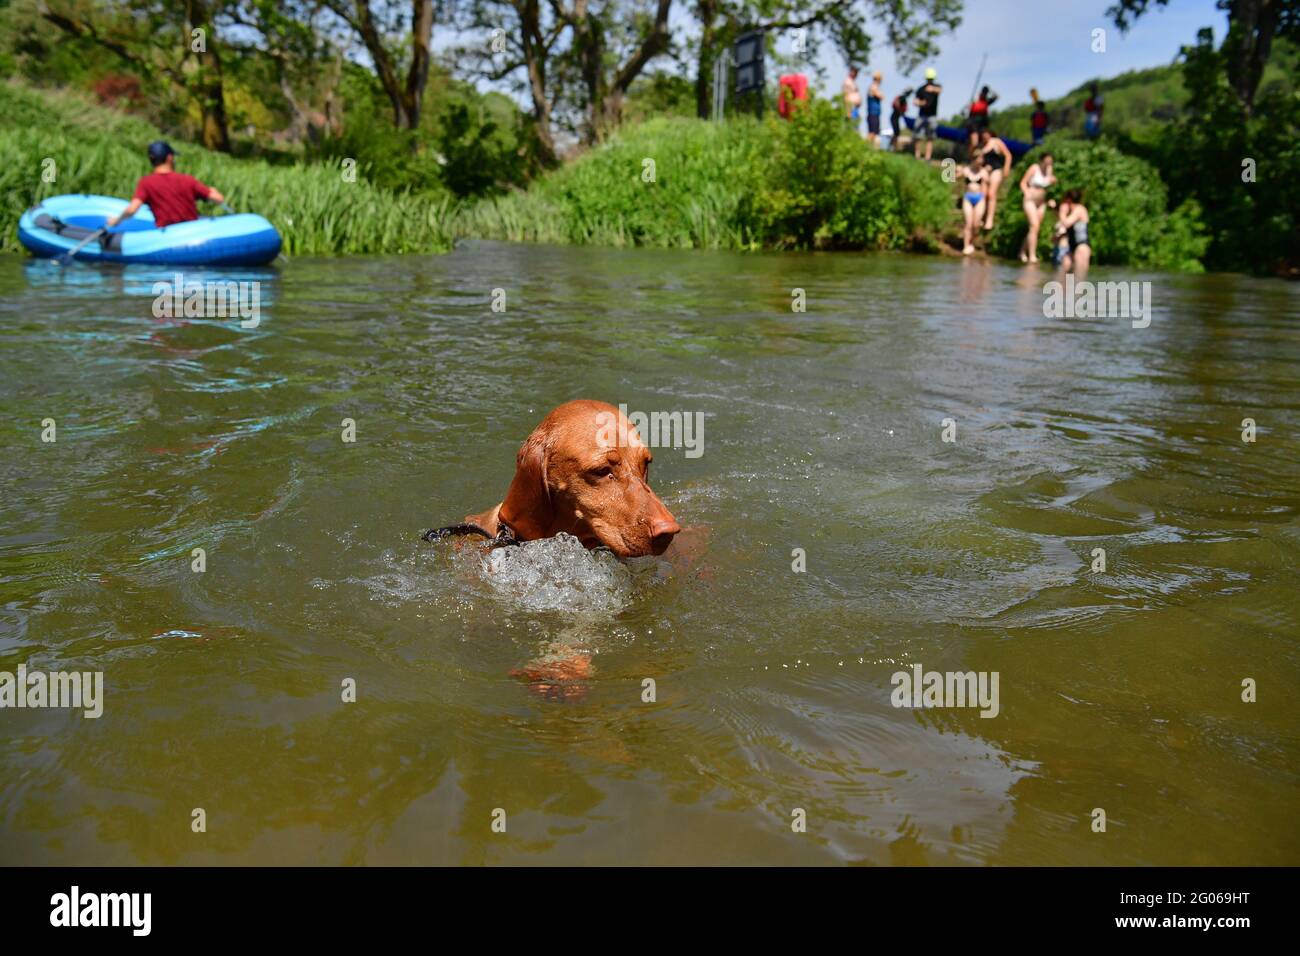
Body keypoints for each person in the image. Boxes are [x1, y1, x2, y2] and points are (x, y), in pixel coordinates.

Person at [107, 141, 224, 230]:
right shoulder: (187, 180)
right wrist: (212, 190)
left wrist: (116, 221)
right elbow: (218, 198)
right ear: (169, 158)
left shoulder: (146, 183)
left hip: (167, 235)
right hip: (191, 232)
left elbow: (132, 209)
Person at [1017, 152, 1056, 263]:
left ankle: (1022, 252)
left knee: (1035, 228)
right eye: (1047, 160)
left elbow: (1049, 185)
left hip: (1041, 201)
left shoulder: (1049, 171)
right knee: (1034, 225)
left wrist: (1053, 181)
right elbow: (1023, 182)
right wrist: (1026, 192)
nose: (1049, 162)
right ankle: (1032, 256)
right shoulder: (1034, 168)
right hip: (1030, 200)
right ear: (1042, 160)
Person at [977, 129, 1013, 230]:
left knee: (991, 194)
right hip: (984, 170)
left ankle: (990, 219)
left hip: (995, 169)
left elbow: (1008, 155)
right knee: (983, 195)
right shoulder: (981, 146)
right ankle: (981, 217)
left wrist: (1006, 168)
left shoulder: (996, 142)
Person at [958, 155, 990, 255]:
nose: (980, 162)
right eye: (978, 159)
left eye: (981, 160)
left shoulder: (984, 172)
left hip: (979, 198)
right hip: (968, 197)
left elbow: (988, 186)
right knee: (968, 223)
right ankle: (966, 245)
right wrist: (954, 169)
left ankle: (972, 242)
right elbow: (951, 178)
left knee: (976, 224)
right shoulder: (966, 170)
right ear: (973, 160)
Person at [1055, 189, 1091, 276]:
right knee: (1063, 271)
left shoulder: (1080, 209)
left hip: (1081, 246)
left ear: (1068, 200)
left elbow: (1067, 223)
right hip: (1071, 248)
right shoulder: (1071, 212)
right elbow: (1070, 229)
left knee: (1079, 276)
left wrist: (1062, 212)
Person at [913, 68, 942, 161]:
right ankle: (917, 156)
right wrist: (922, 103)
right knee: (918, 135)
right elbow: (915, 101)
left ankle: (927, 157)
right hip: (922, 115)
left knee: (930, 137)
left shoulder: (936, 87)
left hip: (932, 115)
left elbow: (940, 90)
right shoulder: (921, 89)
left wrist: (932, 89)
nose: (930, 81)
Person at [866, 71, 884, 146]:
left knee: (875, 132)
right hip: (872, 113)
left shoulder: (875, 87)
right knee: (872, 133)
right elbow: (881, 96)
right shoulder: (873, 87)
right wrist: (880, 94)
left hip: (875, 113)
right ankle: (865, 146)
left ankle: (870, 148)